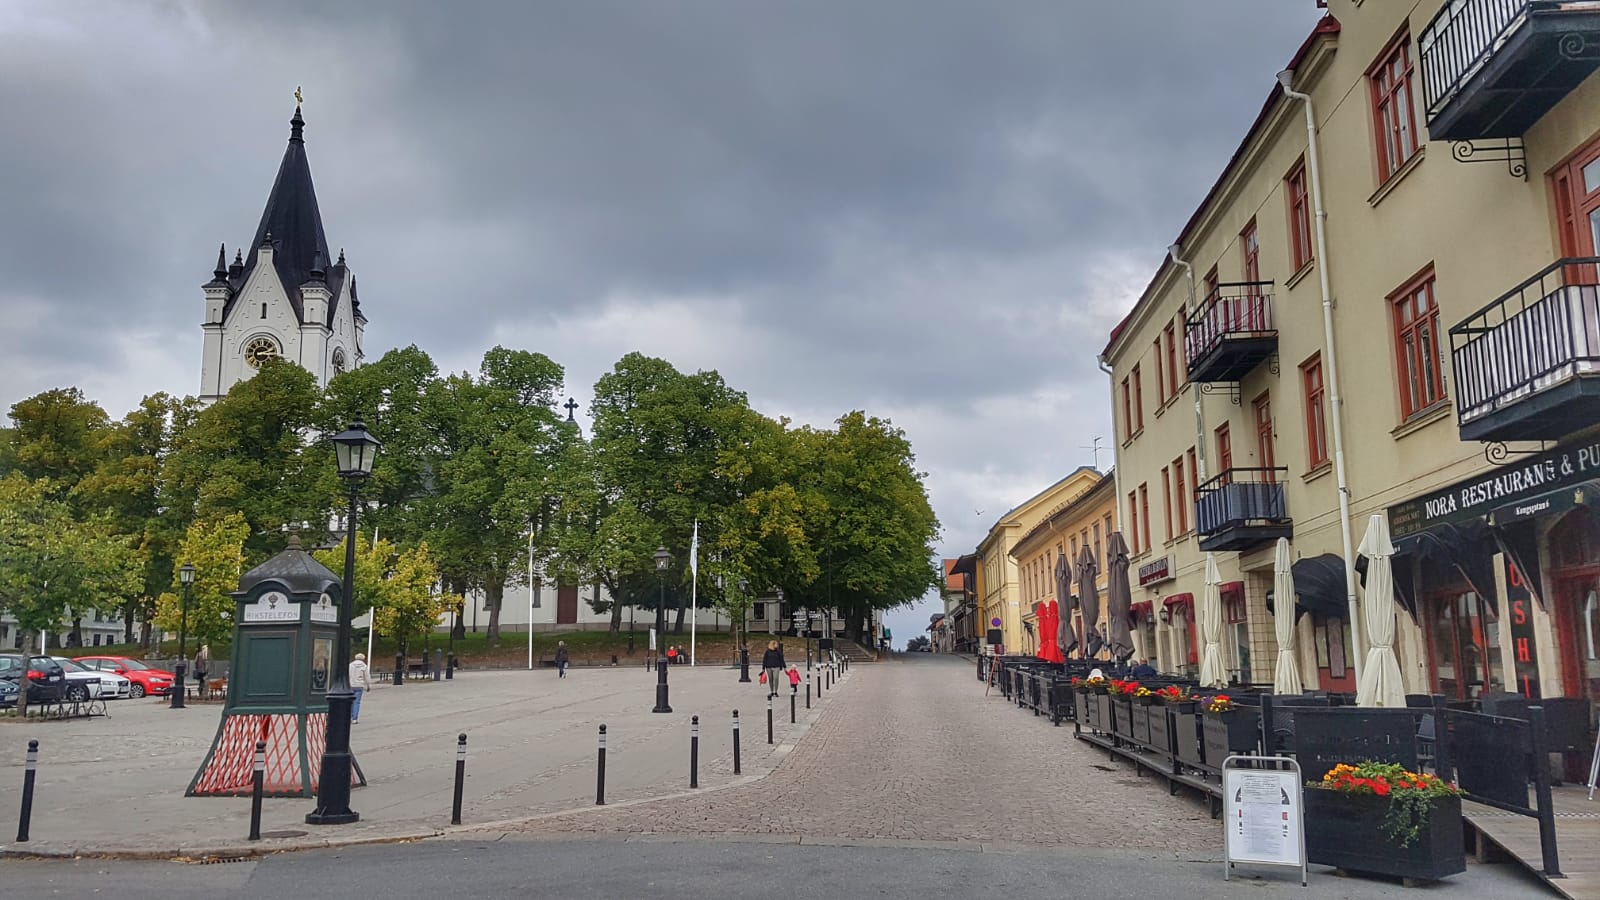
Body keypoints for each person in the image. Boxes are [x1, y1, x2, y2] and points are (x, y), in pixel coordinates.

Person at [349, 652, 372, 723]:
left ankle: (349, 717)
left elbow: (348, 675)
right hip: (359, 685)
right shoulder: (364, 666)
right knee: (356, 702)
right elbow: (367, 677)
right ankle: (354, 718)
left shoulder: (350, 665)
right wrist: (368, 686)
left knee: (350, 702)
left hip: (351, 685)